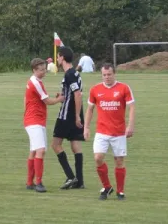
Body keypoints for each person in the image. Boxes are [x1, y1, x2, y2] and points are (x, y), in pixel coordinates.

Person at [84, 63, 135, 201]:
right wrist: (86, 127)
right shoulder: (95, 89)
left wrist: (130, 125)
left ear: (114, 74)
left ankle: (120, 191)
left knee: (119, 161)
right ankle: (107, 186)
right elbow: (90, 109)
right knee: (98, 158)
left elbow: (131, 107)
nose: (106, 77)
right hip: (102, 131)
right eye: (104, 75)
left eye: (109, 74)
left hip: (118, 132)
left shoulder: (124, 88)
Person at [23, 58, 65, 193]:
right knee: (41, 150)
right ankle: (38, 182)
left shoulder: (34, 81)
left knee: (35, 150)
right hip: (34, 120)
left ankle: (30, 182)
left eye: (44, 69)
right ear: (34, 70)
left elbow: (31, 99)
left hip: (35, 120)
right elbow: (47, 101)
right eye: (41, 70)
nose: (44, 72)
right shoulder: (36, 83)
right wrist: (59, 99)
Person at [52, 46, 86, 190]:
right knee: (75, 144)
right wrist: (61, 97)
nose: (57, 59)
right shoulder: (75, 73)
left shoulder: (69, 74)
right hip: (75, 112)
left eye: (58, 56)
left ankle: (71, 176)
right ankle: (79, 181)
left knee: (55, 144)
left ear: (61, 57)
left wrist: (76, 116)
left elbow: (77, 94)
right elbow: (73, 94)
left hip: (67, 114)